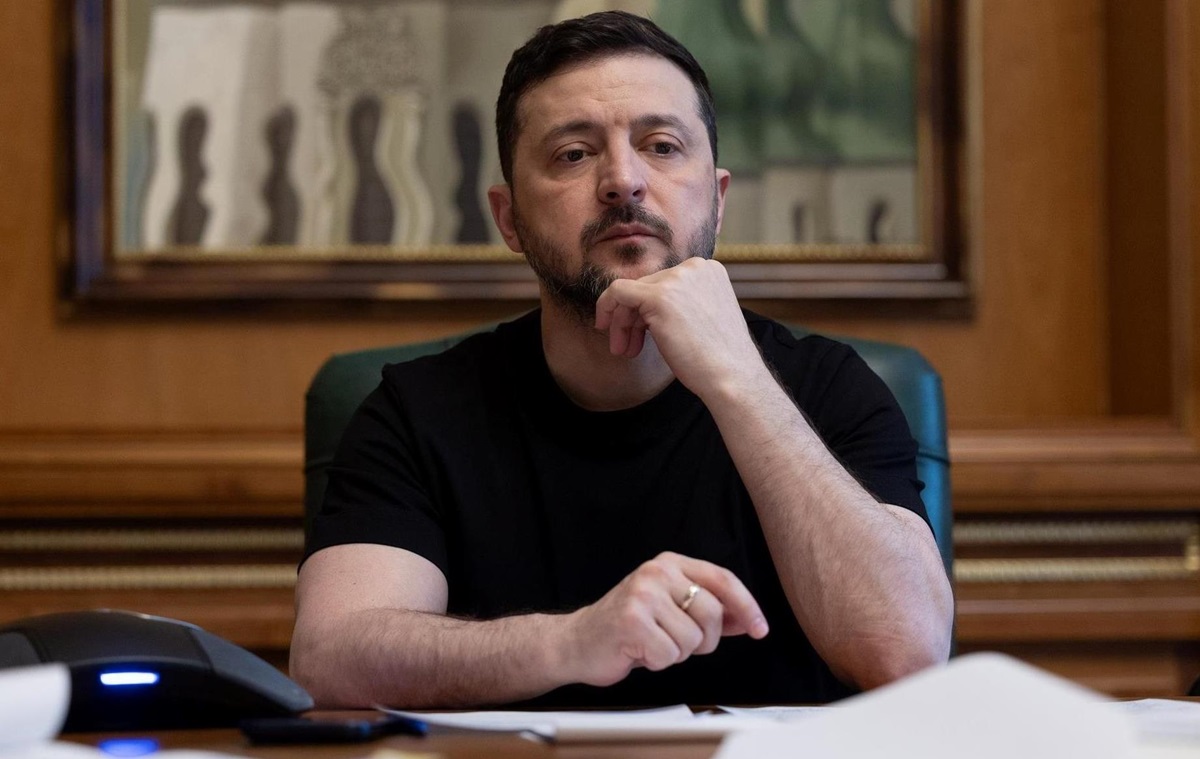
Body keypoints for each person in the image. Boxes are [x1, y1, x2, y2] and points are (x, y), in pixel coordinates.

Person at [290, 10, 953, 709]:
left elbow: (907, 652)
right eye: (574, 154)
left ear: (717, 199)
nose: (624, 180)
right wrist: (572, 641)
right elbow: (330, 659)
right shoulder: (415, 412)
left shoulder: (831, 386)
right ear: (509, 218)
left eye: (662, 146)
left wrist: (739, 381)